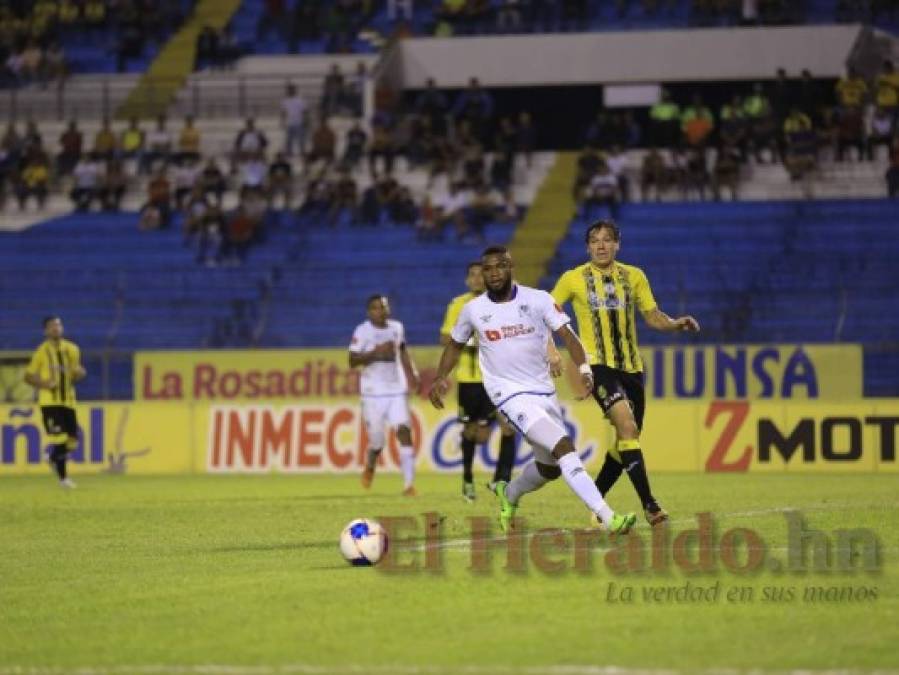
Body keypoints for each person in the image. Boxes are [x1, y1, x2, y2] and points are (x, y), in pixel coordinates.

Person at [430, 246, 637, 534]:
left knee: (550, 468)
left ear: (510, 266)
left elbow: (568, 335)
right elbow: (454, 344)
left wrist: (585, 369)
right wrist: (440, 377)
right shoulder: (473, 310)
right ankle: (607, 516)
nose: (493, 273)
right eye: (487, 269)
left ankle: (509, 493)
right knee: (563, 446)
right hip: (508, 395)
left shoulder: (538, 300)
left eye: (499, 266)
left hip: (543, 391)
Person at [550, 220, 700, 526]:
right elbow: (544, 312)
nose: (601, 245)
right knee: (628, 427)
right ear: (587, 246)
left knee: (626, 439)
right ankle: (651, 506)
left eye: (607, 240)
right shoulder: (573, 279)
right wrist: (552, 351)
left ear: (618, 244)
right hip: (597, 366)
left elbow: (653, 317)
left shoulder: (634, 276)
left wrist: (675, 324)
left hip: (632, 368)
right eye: (594, 240)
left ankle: (596, 503)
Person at [439, 262, 519, 502]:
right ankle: (467, 480)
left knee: (509, 426)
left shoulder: (499, 303)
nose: (476, 279)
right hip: (469, 380)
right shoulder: (458, 305)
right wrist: (471, 340)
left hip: (497, 379)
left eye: (479, 274)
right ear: (467, 280)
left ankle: (501, 480)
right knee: (474, 433)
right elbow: (445, 338)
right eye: (471, 274)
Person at [349, 296, 421, 496]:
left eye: (384, 306)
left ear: (389, 309)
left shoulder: (397, 328)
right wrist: (375, 352)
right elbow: (352, 361)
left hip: (397, 389)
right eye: (375, 308)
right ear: (368, 312)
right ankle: (371, 464)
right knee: (377, 443)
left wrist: (413, 373)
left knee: (404, 432)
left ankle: (408, 485)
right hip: (372, 393)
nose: (380, 310)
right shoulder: (362, 331)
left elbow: (403, 351)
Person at [23, 316, 86, 489]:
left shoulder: (72, 349)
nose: (56, 328)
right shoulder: (41, 352)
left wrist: (80, 373)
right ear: (46, 331)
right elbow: (28, 376)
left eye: (58, 325)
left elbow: (74, 373)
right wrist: (44, 384)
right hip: (49, 402)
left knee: (73, 441)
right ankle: (63, 479)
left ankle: (52, 458)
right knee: (60, 438)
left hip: (69, 401)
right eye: (52, 326)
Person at [281, 83, 307, 158]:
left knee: (301, 139)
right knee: (289, 140)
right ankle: (289, 153)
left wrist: (305, 120)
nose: (290, 91)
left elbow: (304, 111)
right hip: (290, 123)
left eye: (292, 89)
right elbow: (284, 112)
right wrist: (283, 121)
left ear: (295, 90)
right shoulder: (285, 101)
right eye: (289, 90)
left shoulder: (300, 100)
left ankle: (302, 152)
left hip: (299, 122)